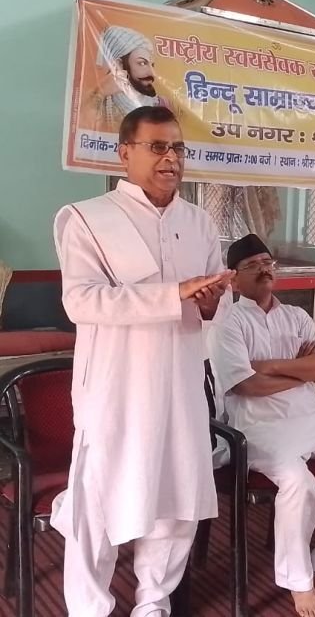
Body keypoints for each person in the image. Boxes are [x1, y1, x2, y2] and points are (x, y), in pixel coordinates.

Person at [52, 105, 234, 616]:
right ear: (124, 153)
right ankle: (90, 607)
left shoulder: (199, 221)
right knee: (97, 501)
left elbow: (215, 307)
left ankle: (153, 602)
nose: (170, 158)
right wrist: (174, 292)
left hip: (180, 384)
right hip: (115, 387)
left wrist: (209, 303)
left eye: (178, 148)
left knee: (177, 496)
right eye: (157, 147)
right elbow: (81, 302)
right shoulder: (87, 218)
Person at [209, 234, 315, 617]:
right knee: (301, 485)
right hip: (259, 429)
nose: (264, 269)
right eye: (252, 265)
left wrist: (269, 365)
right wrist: (302, 372)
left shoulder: (297, 317)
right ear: (233, 279)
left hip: (310, 422)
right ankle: (299, 584)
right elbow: (247, 386)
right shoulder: (228, 324)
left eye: (267, 262)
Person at [83, 26, 173, 132]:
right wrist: (100, 92)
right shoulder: (97, 100)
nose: (152, 73)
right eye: (142, 63)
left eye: (152, 65)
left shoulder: (162, 105)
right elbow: (86, 130)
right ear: (119, 65)